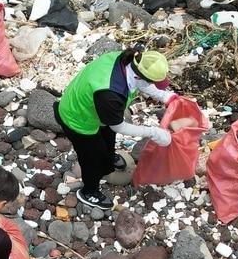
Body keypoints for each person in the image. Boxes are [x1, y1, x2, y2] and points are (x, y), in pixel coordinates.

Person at [56, 48, 173, 211]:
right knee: (92, 159)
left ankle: (109, 158)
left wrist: (164, 96)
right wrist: (153, 132)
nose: (155, 86)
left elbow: (142, 83)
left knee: (108, 139)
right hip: (77, 118)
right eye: (153, 83)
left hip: (95, 110)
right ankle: (89, 191)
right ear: (139, 76)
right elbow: (118, 125)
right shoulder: (110, 93)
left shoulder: (125, 59)